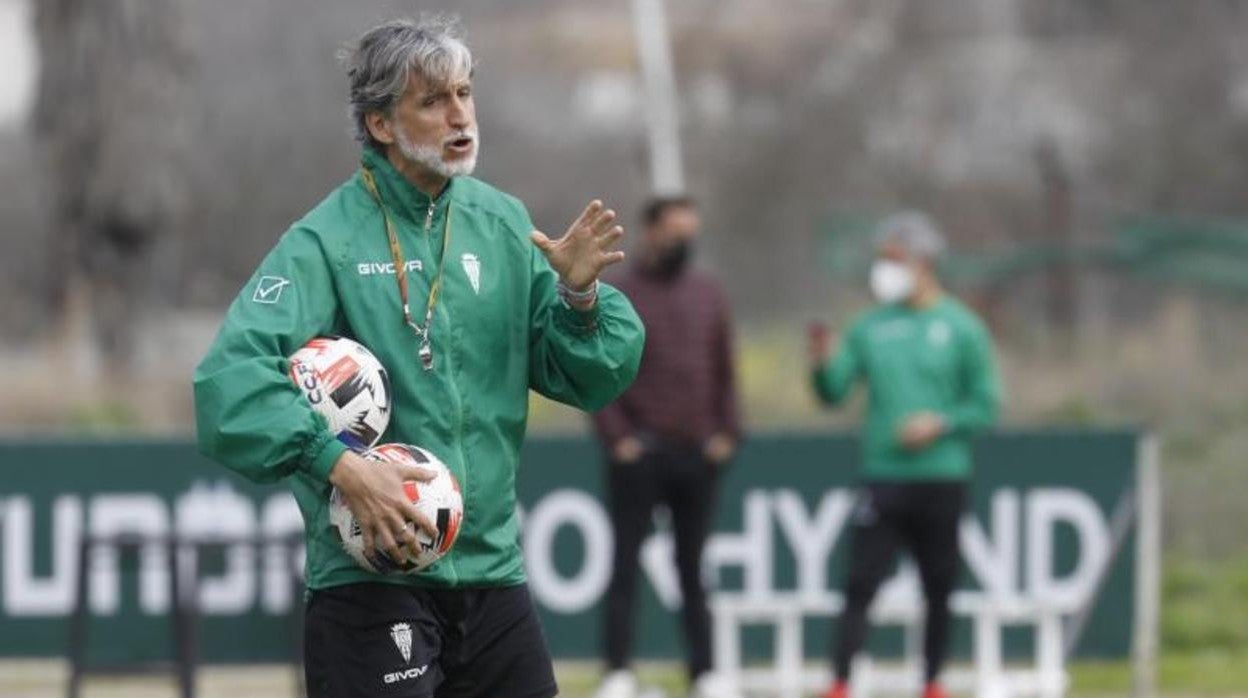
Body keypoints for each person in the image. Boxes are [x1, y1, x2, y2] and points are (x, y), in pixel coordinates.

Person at [193, 18, 644, 698]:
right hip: (371, 586)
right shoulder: (324, 240)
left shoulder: (502, 224)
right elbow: (227, 383)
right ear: (379, 124)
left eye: (464, 93)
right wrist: (340, 466)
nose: (460, 115)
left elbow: (586, 375)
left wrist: (579, 297)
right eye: (433, 100)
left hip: (494, 577)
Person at [808, 213, 1001, 698]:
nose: (886, 270)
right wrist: (820, 361)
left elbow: (986, 402)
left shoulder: (962, 327)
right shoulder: (870, 326)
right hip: (884, 474)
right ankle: (840, 682)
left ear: (924, 262)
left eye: (895, 260)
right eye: (883, 260)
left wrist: (941, 423)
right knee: (859, 583)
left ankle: (932, 680)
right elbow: (833, 392)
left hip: (942, 475)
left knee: (939, 586)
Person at [590, 197, 741, 698]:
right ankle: (618, 670)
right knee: (625, 563)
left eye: (690, 231)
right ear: (651, 231)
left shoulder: (708, 291)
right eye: (676, 231)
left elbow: (724, 367)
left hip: (697, 452)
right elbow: (597, 369)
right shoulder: (620, 292)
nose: (685, 241)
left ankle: (705, 671)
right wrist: (619, 440)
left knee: (693, 568)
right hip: (640, 452)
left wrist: (727, 431)